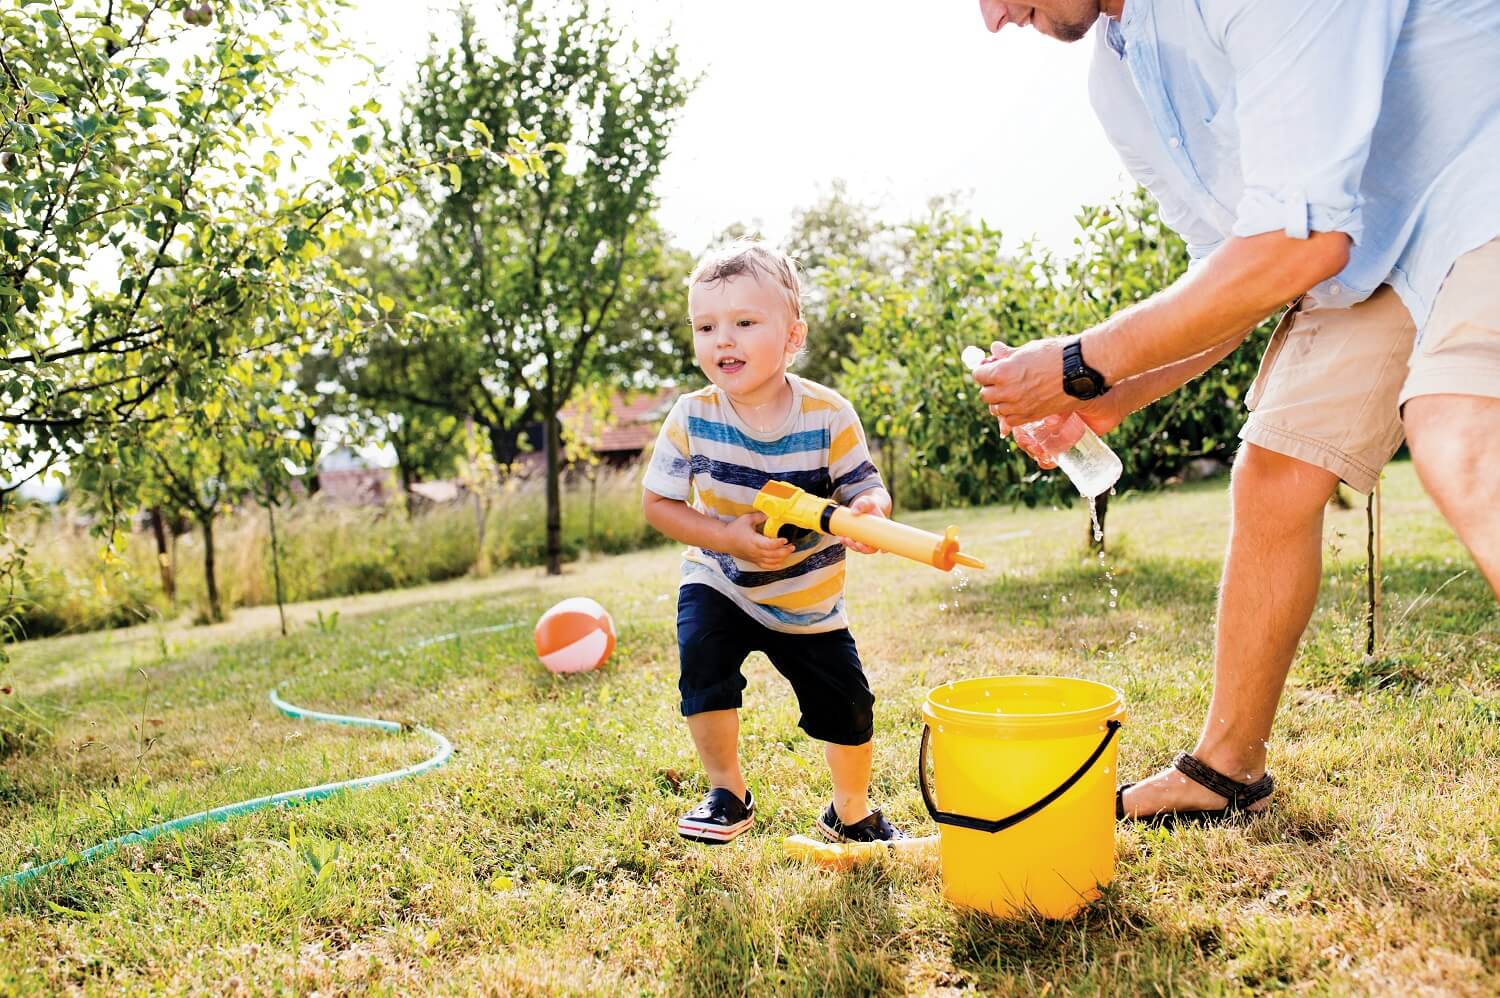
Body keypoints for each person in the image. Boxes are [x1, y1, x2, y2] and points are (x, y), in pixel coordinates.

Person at [968, 1, 1500, 824]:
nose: (994, 17)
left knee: (1459, 430)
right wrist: (1104, 390)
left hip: (1478, 169)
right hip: (1370, 243)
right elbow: (1230, 272)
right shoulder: (1119, 78)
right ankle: (1226, 769)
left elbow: (1299, 245)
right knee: (1277, 474)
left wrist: (1078, 361)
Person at [642, 241, 905, 845]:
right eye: (706, 326)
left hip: (808, 598)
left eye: (743, 322)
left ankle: (851, 810)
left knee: (849, 709)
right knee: (703, 665)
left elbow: (866, 488)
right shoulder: (690, 416)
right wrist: (725, 539)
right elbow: (658, 504)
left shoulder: (828, 414)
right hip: (721, 579)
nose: (722, 340)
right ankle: (727, 793)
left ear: (792, 338)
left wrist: (868, 513)